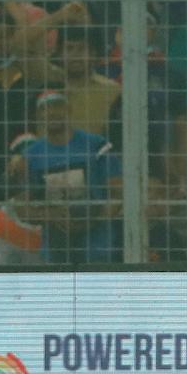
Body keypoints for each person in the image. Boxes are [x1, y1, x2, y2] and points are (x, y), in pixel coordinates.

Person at [20, 90, 122, 264]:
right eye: (44, 108)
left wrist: (88, 219)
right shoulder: (30, 156)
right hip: (55, 251)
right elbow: (23, 208)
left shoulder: (97, 146)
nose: (51, 112)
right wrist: (52, 216)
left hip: (97, 248)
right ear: (38, 115)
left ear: (69, 110)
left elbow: (118, 195)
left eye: (57, 106)